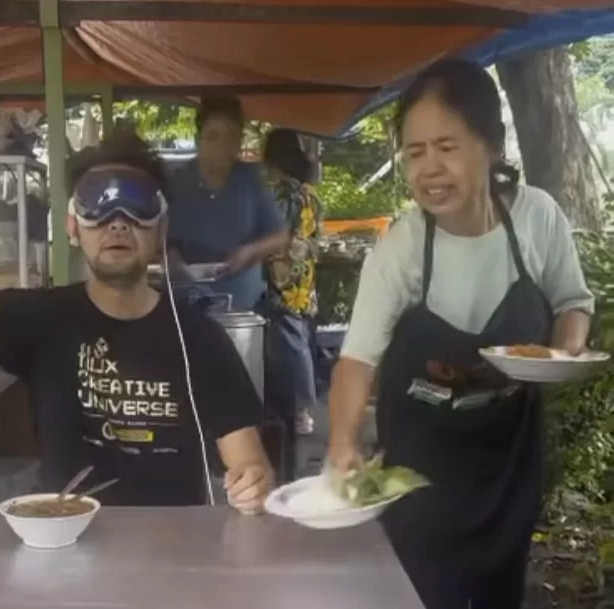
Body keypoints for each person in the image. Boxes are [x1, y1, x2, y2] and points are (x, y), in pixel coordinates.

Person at [0, 61, 273, 513]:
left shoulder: (200, 339)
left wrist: (254, 485)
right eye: (98, 203)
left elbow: (251, 462)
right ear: (73, 226)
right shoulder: (43, 321)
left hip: (174, 556)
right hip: (67, 544)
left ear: (162, 229)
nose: (117, 222)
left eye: (136, 206)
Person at [327, 59, 593, 609]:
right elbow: (357, 360)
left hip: (508, 466)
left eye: (446, 146)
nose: (429, 169)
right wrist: (343, 441)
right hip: (421, 474)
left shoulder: (536, 219)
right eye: (414, 152)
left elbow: (573, 302)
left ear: (491, 146)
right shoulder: (403, 247)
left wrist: (564, 351)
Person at [168, 96, 287, 311]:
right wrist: (172, 261)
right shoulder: (177, 182)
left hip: (243, 305)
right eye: (214, 137)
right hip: (187, 305)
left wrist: (251, 251)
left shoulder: (251, 179)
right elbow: (161, 241)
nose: (222, 148)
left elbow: (279, 236)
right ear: (199, 138)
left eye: (231, 139)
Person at [262, 128, 322, 438]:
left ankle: (301, 411)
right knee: (299, 337)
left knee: (291, 341)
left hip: (282, 273)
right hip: (304, 274)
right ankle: (302, 409)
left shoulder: (283, 192)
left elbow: (277, 236)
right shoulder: (308, 191)